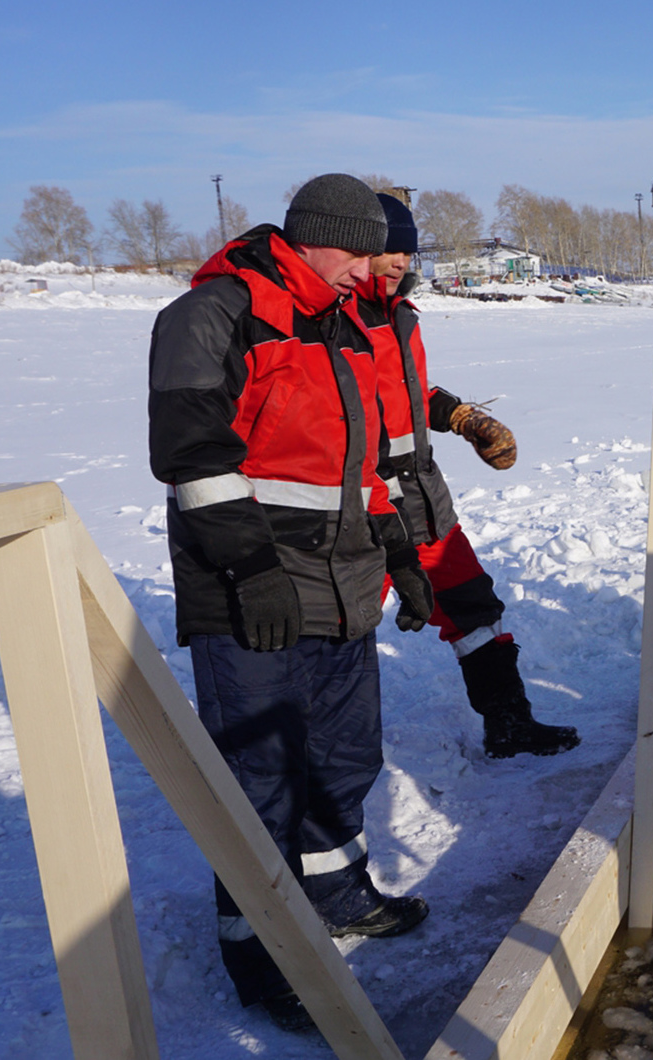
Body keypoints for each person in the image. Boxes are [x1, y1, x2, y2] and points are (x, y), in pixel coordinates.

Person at [148, 173, 436, 1031]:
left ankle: (339, 896)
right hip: (253, 591)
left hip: (341, 582)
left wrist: (400, 553)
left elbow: (359, 465)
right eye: (354, 251)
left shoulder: (341, 324)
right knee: (258, 780)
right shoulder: (212, 316)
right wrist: (250, 571)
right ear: (309, 238)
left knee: (345, 757)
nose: (367, 269)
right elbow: (192, 457)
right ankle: (264, 957)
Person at [355, 193, 580, 758]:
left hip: (421, 499)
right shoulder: (337, 320)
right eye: (387, 251)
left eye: (406, 252)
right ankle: (316, 758)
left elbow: (404, 399)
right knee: (341, 628)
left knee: (473, 605)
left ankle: (509, 723)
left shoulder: (401, 317)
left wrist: (460, 416)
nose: (399, 263)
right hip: (361, 509)